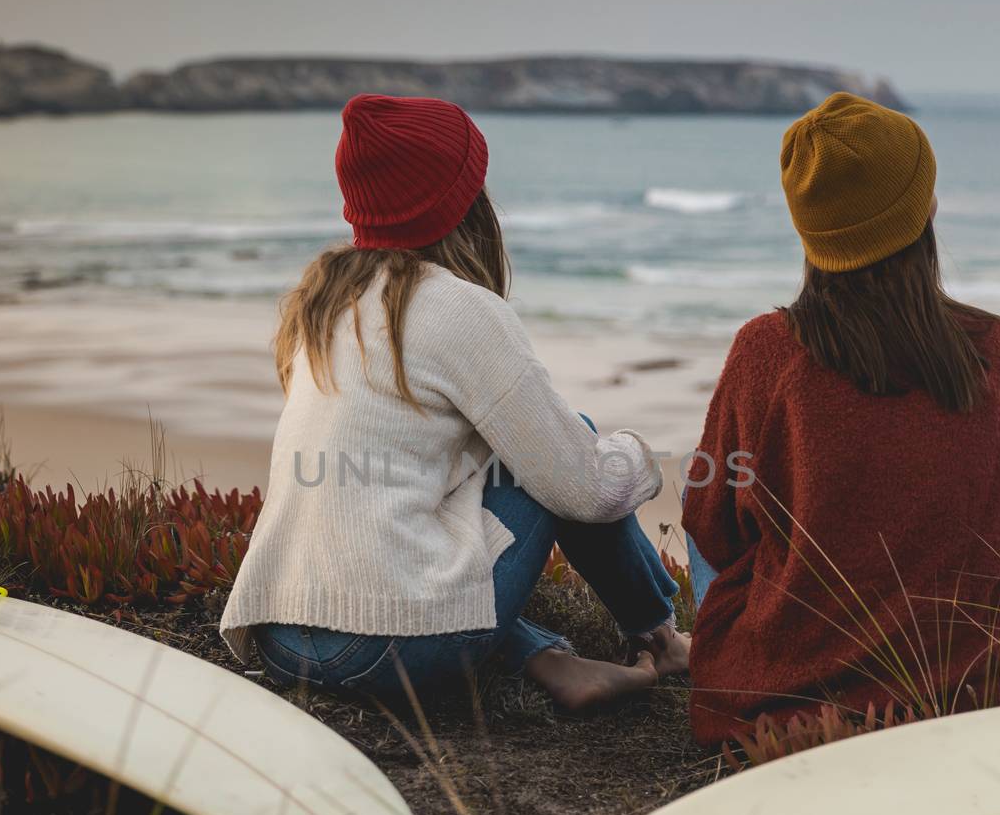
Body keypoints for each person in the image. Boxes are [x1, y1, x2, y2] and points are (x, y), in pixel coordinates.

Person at [221, 94, 688, 712]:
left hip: (280, 637)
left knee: (436, 501)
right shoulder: (460, 310)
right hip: (394, 654)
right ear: (464, 203)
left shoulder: (326, 300)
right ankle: (659, 634)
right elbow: (587, 491)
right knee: (570, 445)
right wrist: (635, 454)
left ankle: (544, 658)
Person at [681, 92, 1000, 745]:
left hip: (793, 703)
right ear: (924, 209)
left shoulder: (767, 349)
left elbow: (712, 525)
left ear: (807, 225)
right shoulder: (995, 346)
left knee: (711, 487)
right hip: (959, 693)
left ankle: (718, 644)